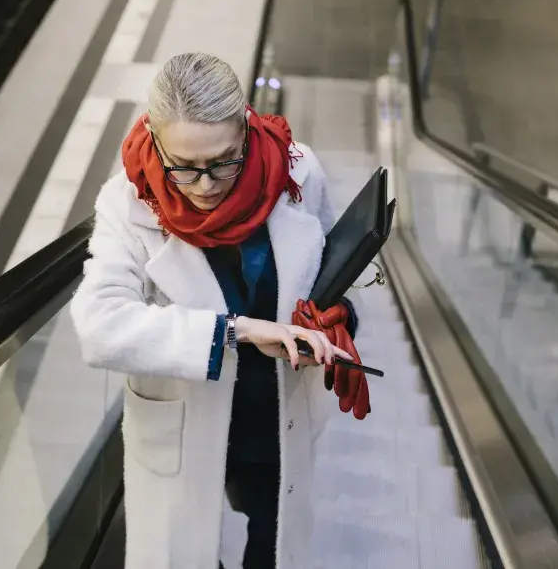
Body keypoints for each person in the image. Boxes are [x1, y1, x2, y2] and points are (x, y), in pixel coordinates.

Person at [70, 53, 370, 569]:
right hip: (187, 420)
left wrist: (340, 314)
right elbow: (99, 326)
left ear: (249, 127)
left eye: (224, 161)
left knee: (274, 544)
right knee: (186, 552)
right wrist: (235, 332)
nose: (206, 186)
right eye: (184, 168)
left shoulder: (297, 173)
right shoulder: (127, 204)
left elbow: (339, 265)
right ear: (155, 140)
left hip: (276, 414)